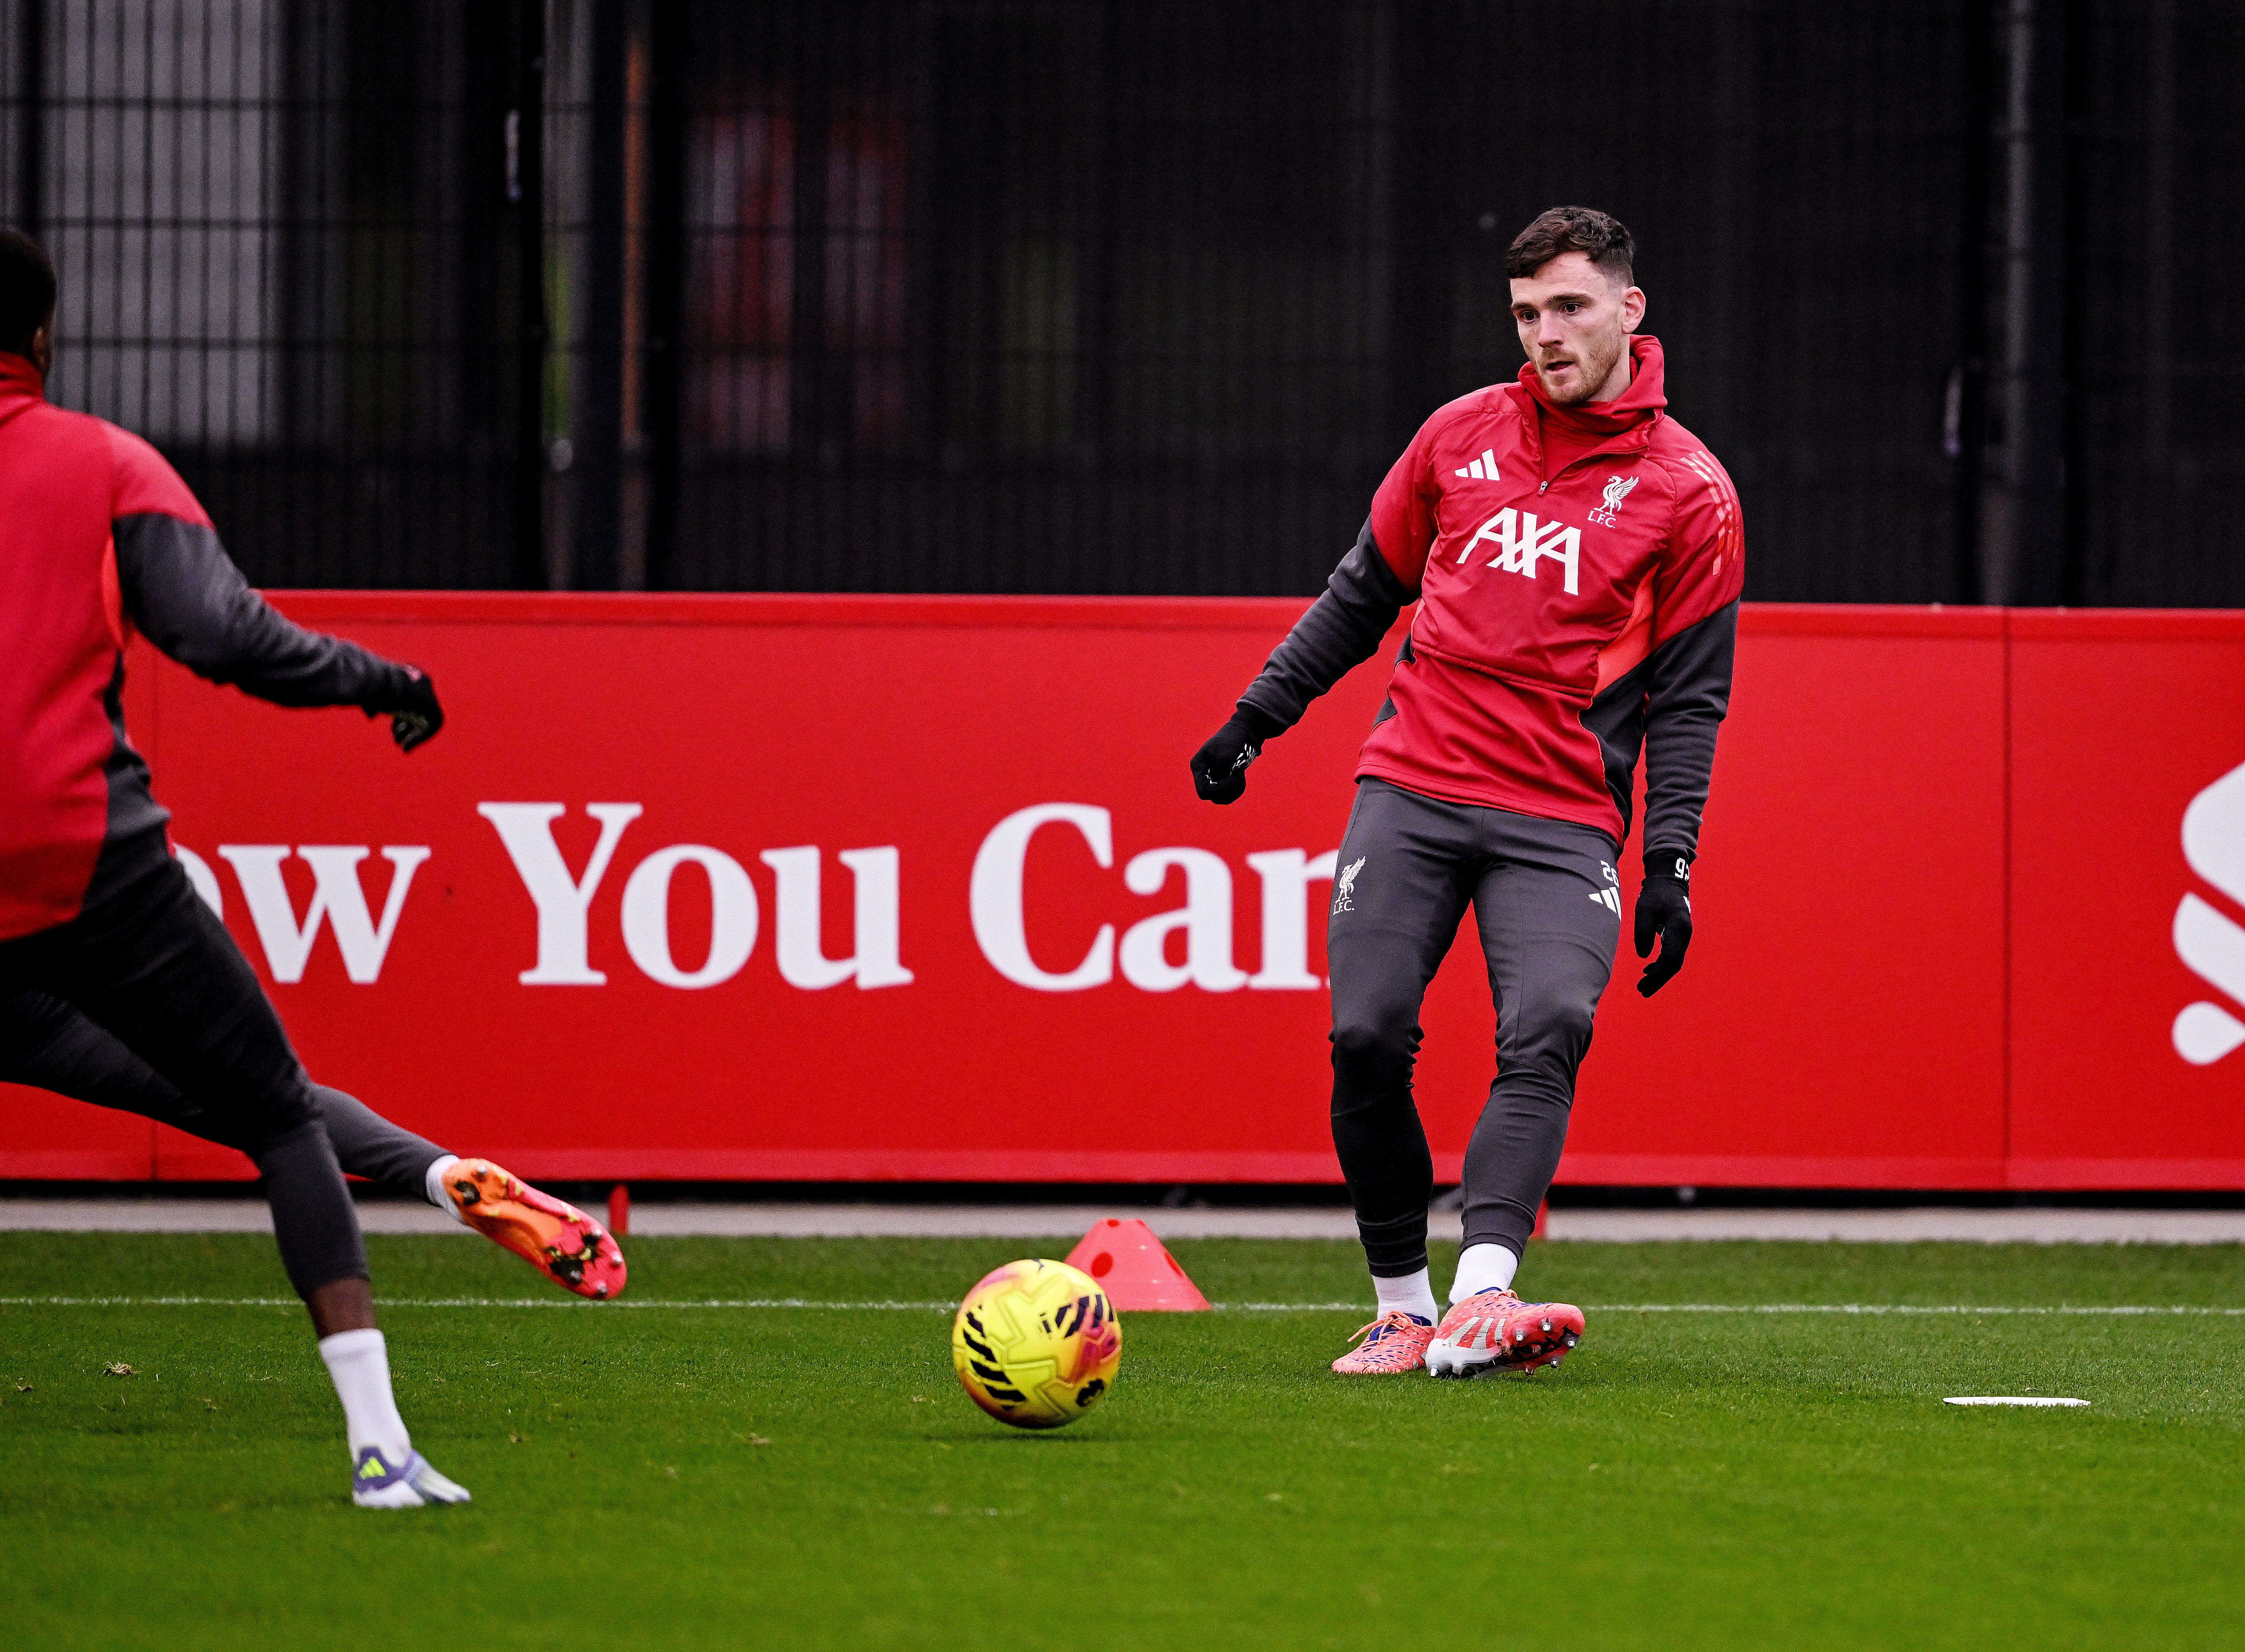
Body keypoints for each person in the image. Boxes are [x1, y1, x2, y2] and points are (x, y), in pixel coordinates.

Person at [0, 227, 624, 1504]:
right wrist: (380, 679)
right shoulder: (103, 463)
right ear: (44, 337)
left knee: (243, 1091)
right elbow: (223, 637)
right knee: (263, 1102)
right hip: (81, 857)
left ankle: (433, 1169)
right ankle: (382, 1443)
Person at [1188, 207, 1742, 1377]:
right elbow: (1360, 594)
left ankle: (1484, 1296)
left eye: (1571, 306)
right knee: (1365, 1034)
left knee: (1552, 1025)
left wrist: (1673, 862)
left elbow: (1688, 702)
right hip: (1415, 786)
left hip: (1558, 815)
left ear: (1630, 311)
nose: (1547, 334)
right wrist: (1256, 718)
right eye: (1528, 314)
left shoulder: (1692, 493)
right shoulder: (1455, 438)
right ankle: (1401, 1305)